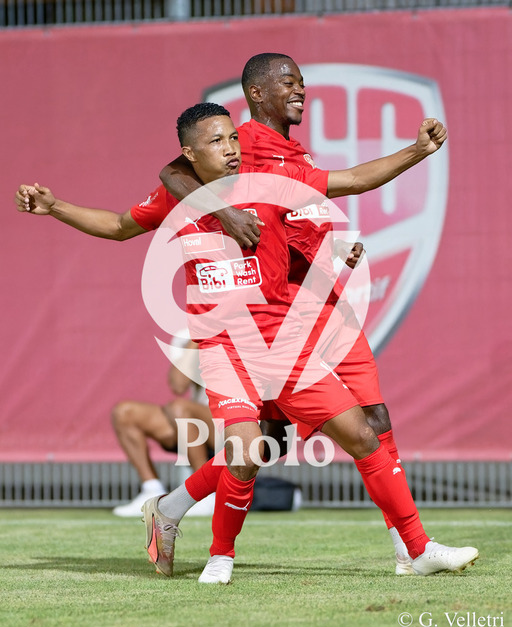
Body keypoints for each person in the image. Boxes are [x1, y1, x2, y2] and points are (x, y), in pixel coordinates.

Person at [15, 104, 478, 586]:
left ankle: (418, 550)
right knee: (248, 450)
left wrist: (417, 151)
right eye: (216, 141)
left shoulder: (271, 183)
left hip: (285, 344)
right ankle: (220, 557)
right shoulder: (176, 197)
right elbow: (116, 226)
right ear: (189, 154)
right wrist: (55, 207)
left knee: (362, 435)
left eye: (233, 137)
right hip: (227, 350)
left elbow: (355, 179)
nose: (231, 148)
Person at [157, 53, 409, 575]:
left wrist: (330, 252)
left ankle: (410, 547)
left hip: (326, 302)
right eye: (289, 82)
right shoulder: (242, 143)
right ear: (257, 93)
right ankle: (181, 512)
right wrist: (226, 214)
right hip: (280, 313)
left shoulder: (294, 153)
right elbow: (171, 173)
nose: (300, 90)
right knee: (266, 443)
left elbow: (306, 212)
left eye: (302, 82)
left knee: (374, 419)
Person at [111, 333, 217, 517]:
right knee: (125, 412)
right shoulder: (187, 335)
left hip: (236, 423)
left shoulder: (244, 330)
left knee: (179, 407)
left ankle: (205, 493)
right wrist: (196, 339)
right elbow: (178, 385)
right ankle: (151, 489)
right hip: (197, 424)